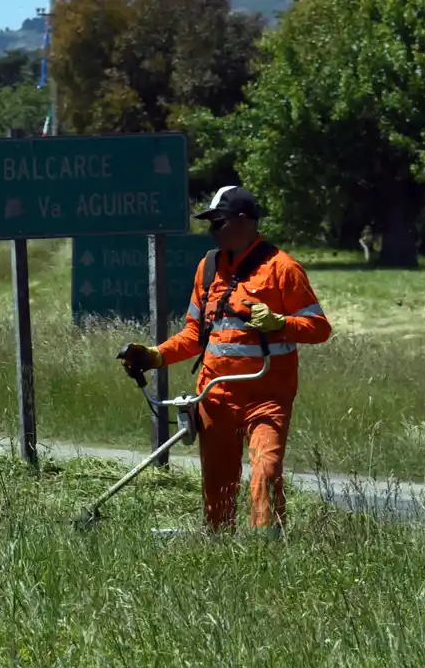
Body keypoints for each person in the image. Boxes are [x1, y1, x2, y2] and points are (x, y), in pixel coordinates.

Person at [118, 186, 330, 535]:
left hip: (267, 396)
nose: (212, 230)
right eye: (210, 224)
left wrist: (281, 323)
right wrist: (155, 356)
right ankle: (219, 544)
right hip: (215, 396)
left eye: (218, 222)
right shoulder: (208, 267)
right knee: (217, 482)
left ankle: (267, 550)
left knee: (267, 469)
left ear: (243, 222)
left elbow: (319, 328)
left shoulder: (283, 268)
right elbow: (192, 336)